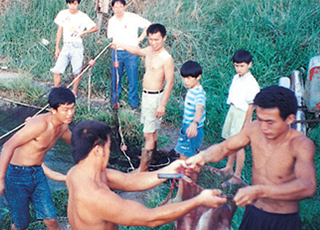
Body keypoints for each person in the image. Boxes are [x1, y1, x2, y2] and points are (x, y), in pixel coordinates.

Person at [186, 85, 316, 230]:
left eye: (270, 122)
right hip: (253, 213)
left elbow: (308, 186)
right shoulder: (254, 129)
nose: (264, 127)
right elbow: (225, 147)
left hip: (282, 220)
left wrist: (260, 191)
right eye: (260, 119)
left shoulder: (300, 144)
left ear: (289, 119)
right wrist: (202, 156)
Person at [66, 120, 227, 229]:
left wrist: (170, 170)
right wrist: (198, 201)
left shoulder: (76, 173)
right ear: (98, 150)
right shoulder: (97, 197)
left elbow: (128, 181)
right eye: (109, 148)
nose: (109, 152)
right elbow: (151, 218)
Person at [0, 87, 75, 230]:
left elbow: (76, 144)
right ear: (53, 110)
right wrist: (0, 180)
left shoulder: (63, 128)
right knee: (21, 224)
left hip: (37, 172)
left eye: (72, 108)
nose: (70, 113)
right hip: (16, 175)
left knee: (51, 220)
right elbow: (8, 146)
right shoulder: (39, 125)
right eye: (65, 110)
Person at [111, 23, 174, 172]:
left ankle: (142, 170)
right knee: (152, 132)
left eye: (157, 39)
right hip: (146, 97)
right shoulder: (149, 51)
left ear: (164, 38)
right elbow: (137, 50)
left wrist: (162, 105)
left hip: (155, 99)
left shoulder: (166, 58)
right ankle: (151, 159)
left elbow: (170, 82)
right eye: (151, 39)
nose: (153, 42)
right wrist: (121, 45)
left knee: (148, 134)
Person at [220, 49, 260, 186]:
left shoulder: (251, 83)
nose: (239, 68)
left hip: (242, 114)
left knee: (239, 145)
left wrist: (246, 124)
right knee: (231, 141)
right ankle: (229, 167)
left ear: (249, 64)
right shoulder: (236, 78)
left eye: (242, 65)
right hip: (233, 110)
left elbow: (251, 105)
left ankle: (237, 175)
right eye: (236, 65)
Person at [108, 0, 151, 110]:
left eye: (120, 6)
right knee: (115, 78)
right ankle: (115, 102)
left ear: (124, 7)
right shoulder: (111, 21)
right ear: (112, 8)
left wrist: (139, 40)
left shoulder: (133, 17)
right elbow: (112, 37)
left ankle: (133, 103)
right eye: (116, 6)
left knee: (132, 78)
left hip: (132, 53)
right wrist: (114, 45)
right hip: (117, 53)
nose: (118, 9)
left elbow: (149, 25)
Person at [50, 0, 99, 96]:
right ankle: (56, 91)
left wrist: (83, 33)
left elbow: (96, 28)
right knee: (57, 70)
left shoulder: (83, 16)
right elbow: (59, 31)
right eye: (70, 4)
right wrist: (57, 47)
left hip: (77, 46)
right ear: (67, 4)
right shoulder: (62, 14)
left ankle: (74, 92)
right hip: (66, 45)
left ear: (78, 4)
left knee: (77, 71)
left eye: (75, 4)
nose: (72, 6)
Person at [173, 60, 206, 200]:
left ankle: (180, 196)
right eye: (183, 77)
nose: (185, 81)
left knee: (184, 163)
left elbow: (199, 108)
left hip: (192, 129)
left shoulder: (199, 94)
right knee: (191, 160)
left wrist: (194, 123)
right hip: (189, 128)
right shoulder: (193, 90)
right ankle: (191, 189)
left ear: (198, 77)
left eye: (189, 78)